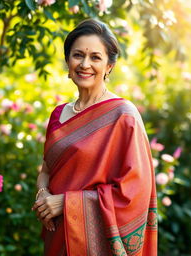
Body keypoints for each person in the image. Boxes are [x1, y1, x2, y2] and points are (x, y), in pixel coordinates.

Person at [32, 18, 157, 256]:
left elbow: (135, 192)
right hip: (58, 235)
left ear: (109, 66)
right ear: (68, 61)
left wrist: (66, 204)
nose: (85, 64)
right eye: (78, 55)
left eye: (95, 57)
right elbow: (46, 171)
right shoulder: (58, 114)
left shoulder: (123, 116)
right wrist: (43, 195)